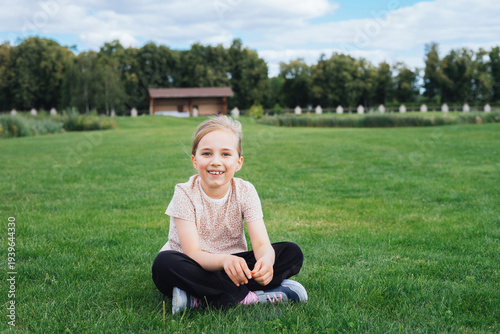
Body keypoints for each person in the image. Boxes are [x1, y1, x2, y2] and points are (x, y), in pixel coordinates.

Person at [152, 116, 307, 314]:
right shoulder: (184, 192)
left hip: (236, 267)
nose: (216, 162)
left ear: (238, 162)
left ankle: (197, 298)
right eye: (207, 153)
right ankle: (250, 297)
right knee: (164, 264)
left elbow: (261, 244)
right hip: (193, 265)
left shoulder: (246, 191)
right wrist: (224, 260)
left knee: (291, 253)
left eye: (225, 154)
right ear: (194, 160)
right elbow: (192, 253)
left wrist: (266, 262)